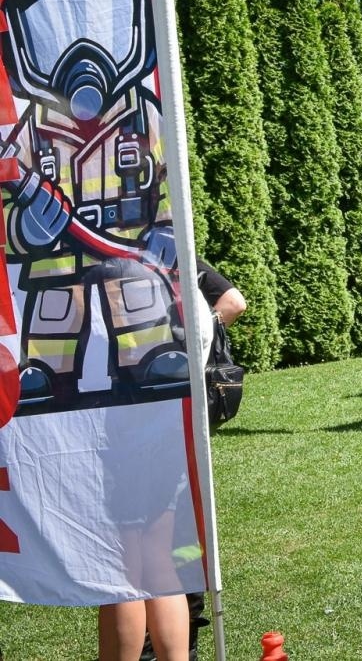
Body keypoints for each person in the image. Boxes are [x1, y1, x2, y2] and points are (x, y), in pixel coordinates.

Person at [113, 260, 247, 661]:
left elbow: (233, 302)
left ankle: (159, 646)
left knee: (126, 564)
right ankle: (176, 644)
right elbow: (232, 303)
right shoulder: (174, 254)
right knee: (162, 548)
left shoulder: (119, 261)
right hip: (178, 416)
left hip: (134, 418)